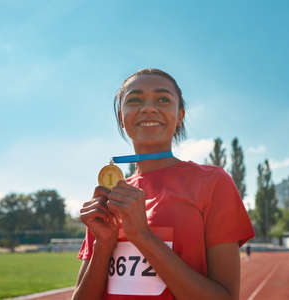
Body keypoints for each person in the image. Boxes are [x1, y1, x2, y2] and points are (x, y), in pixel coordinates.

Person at [72, 68, 255, 300]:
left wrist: (143, 237)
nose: (148, 107)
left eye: (163, 99)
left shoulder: (213, 183)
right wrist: (104, 243)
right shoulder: (109, 198)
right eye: (134, 100)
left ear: (180, 116)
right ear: (121, 116)